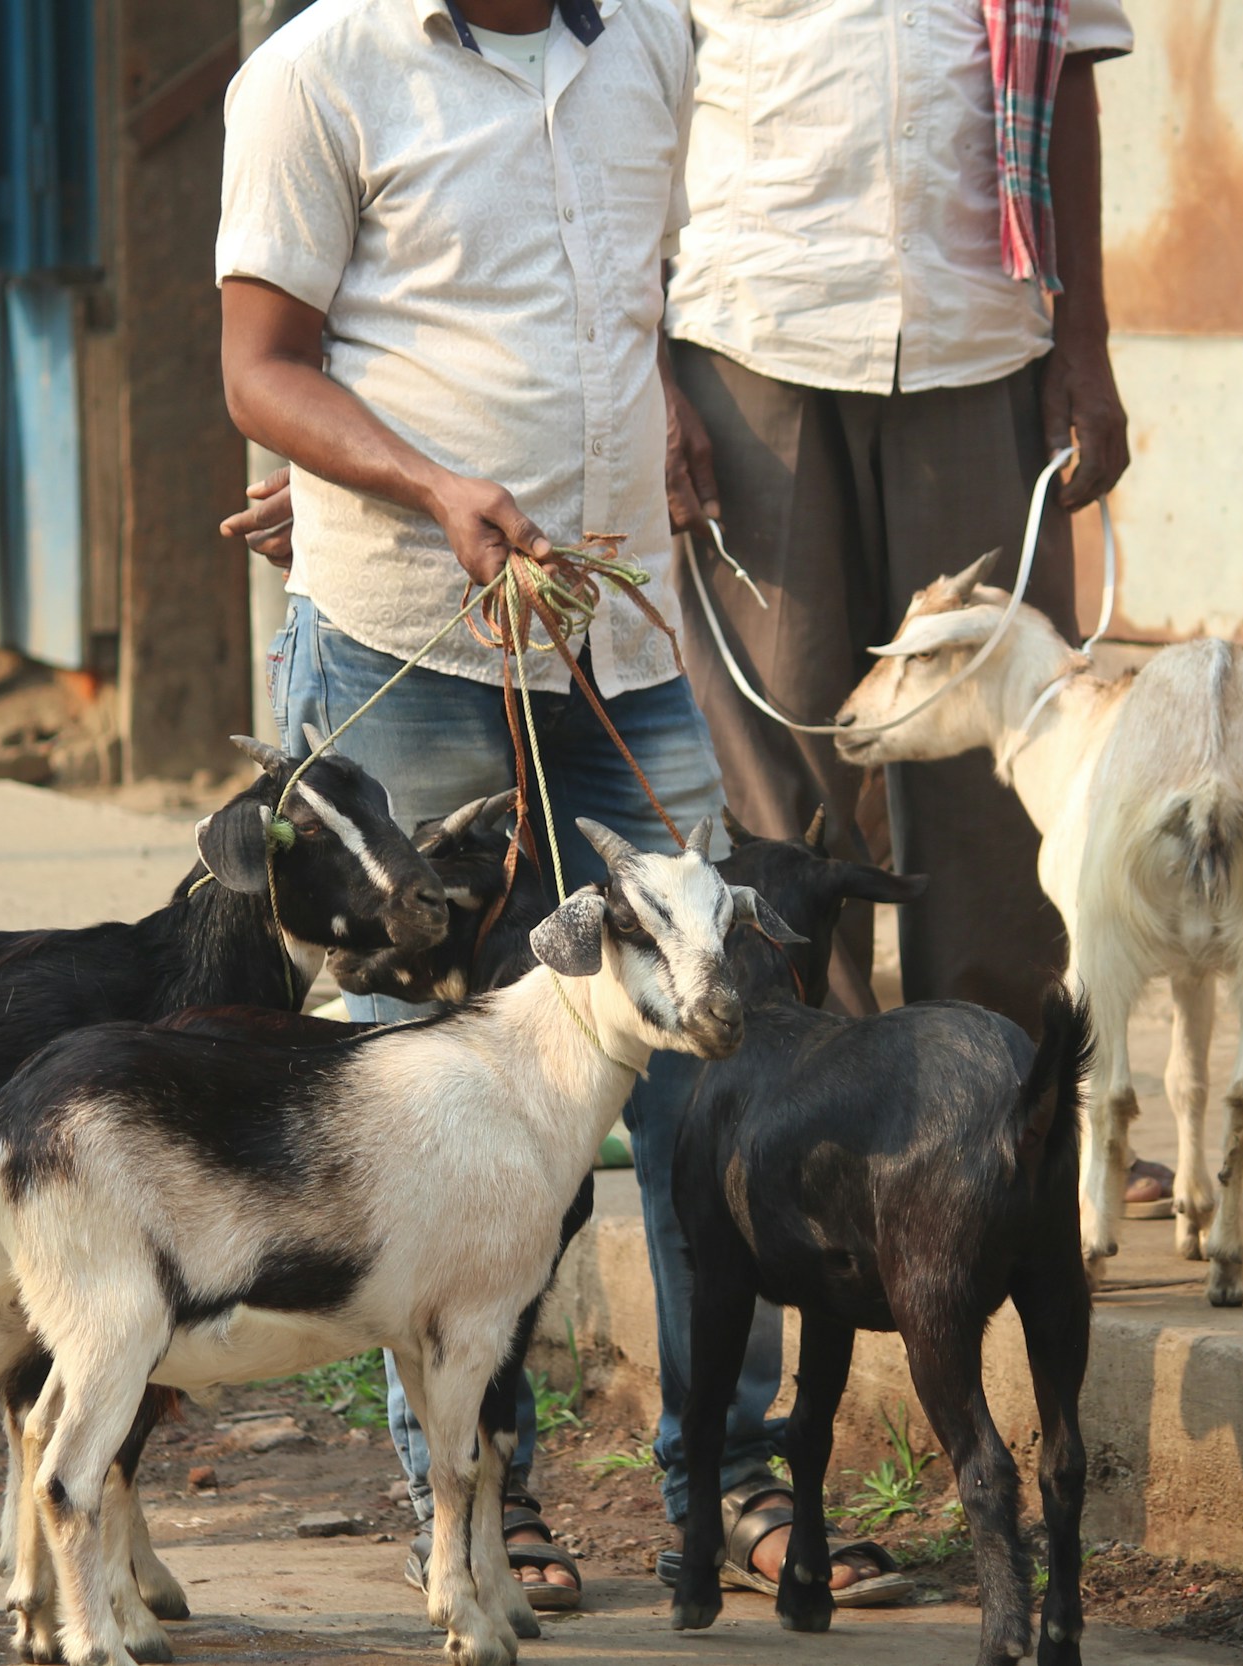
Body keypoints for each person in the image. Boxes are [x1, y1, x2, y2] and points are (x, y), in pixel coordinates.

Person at [215, 0, 795, 1612]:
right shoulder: (317, 71)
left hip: (618, 633)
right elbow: (260, 367)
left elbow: (637, 292)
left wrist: (662, 400)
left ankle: (726, 1471)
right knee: (423, 1076)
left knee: (705, 1053)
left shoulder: (653, 49)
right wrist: (415, 479)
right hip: (408, 630)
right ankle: (473, 1496)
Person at [659, 0, 1174, 1224]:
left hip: (978, 330)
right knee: (792, 762)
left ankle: (1010, 1118)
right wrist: (646, 374)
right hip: (752, 336)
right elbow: (627, 117)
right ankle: (824, 1131)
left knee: (999, 768)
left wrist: (1085, 340)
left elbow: (1068, 86)